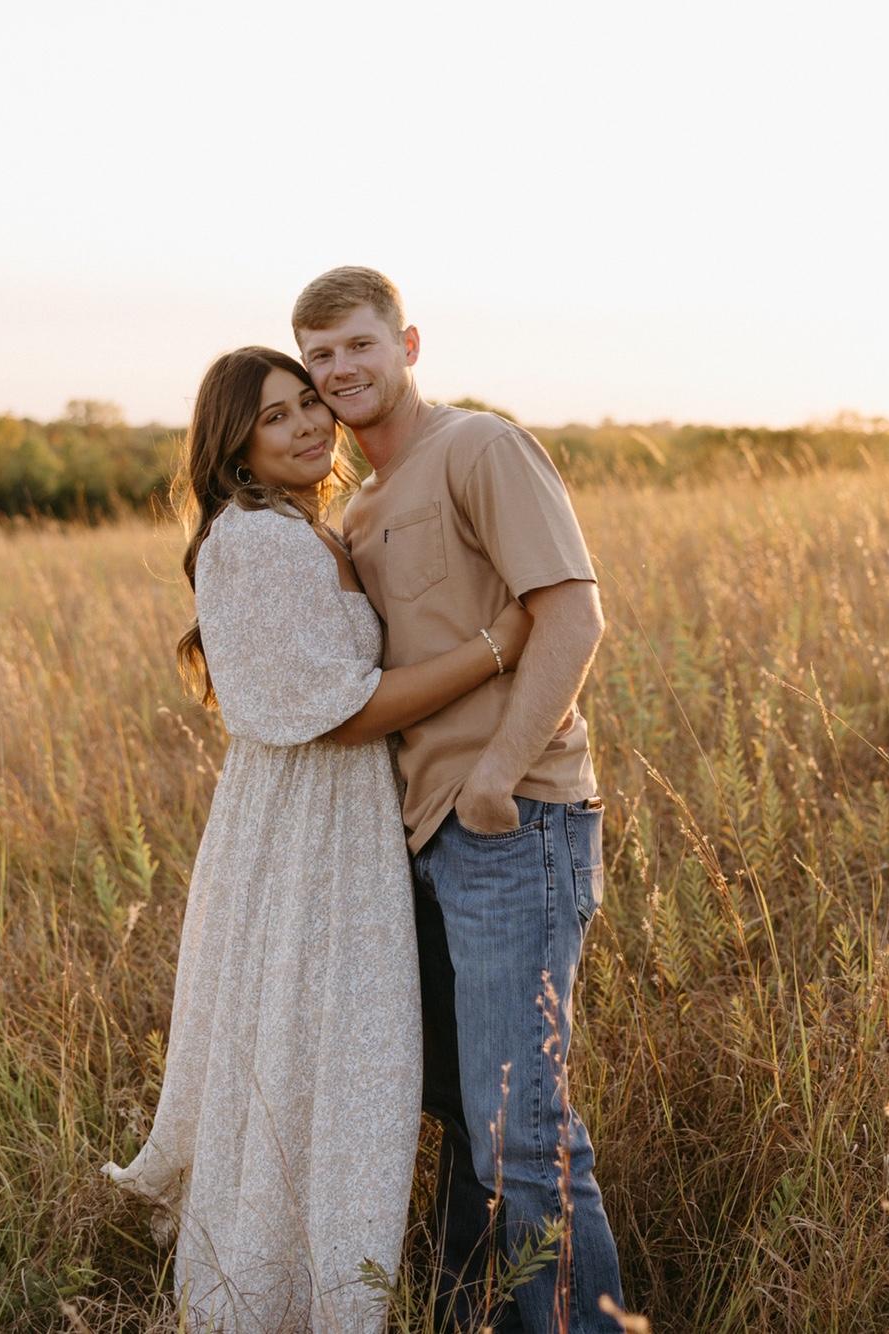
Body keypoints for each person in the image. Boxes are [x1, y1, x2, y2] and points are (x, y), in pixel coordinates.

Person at [101, 346, 534, 1333]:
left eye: (308, 404)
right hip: (305, 832)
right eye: (275, 416)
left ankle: (336, 1279)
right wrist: (496, 646)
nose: (305, 425)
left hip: (342, 825)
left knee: (327, 1054)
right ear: (235, 446)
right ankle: (285, 1294)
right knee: (312, 1052)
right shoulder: (256, 540)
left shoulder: (314, 530)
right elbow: (344, 713)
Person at [292, 269, 625, 1333]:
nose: (339, 369)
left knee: (523, 1130)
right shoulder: (359, 508)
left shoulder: (478, 448)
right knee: (470, 1123)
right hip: (424, 839)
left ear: (407, 344)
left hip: (510, 822)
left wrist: (494, 776)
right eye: (318, 356)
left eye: (358, 344)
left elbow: (570, 616)